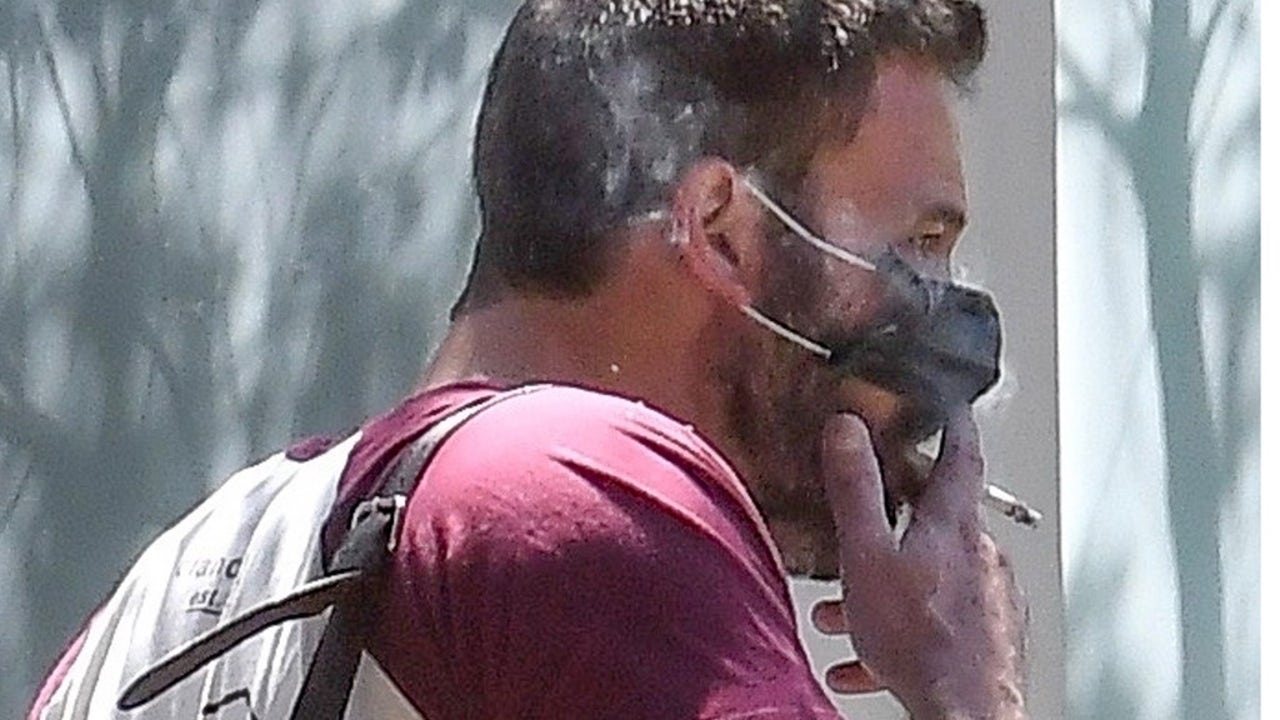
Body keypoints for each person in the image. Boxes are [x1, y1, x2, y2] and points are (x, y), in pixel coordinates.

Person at [29, 0, 1027, 718]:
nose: (952, 339)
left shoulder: (188, 577)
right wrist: (968, 695)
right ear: (722, 230)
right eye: (920, 243)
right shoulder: (580, 496)